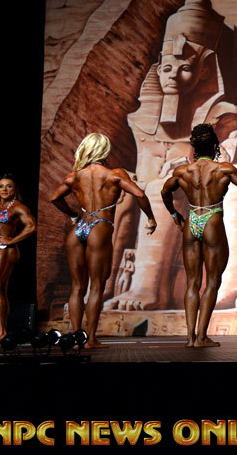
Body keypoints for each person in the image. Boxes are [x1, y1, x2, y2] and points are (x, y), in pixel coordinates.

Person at [50, 134, 158, 348]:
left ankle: (76, 338)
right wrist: (151, 218)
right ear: (104, 151)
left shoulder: (75, 176)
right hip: (99, 228)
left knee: (77, 288)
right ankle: (91, 339)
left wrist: (73, 215)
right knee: (97, 286)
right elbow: (139, 194)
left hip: (78, 230)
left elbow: (54, 198)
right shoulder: (114, 174)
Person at [161, 124, 237, 347]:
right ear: (215, 146)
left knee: (192, 282)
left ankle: (190, 338)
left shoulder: (182, 172)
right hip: (212, 219)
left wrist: (174, 214)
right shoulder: (223, 169)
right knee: (213, 281)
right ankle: (202, 337)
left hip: (192, 220)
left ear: (194, 148)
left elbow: (165, 191)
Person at [0, 174, 36, 345]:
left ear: (15, 189)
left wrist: (11, 240)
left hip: (5, 250)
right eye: (1, 186)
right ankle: (2, 330)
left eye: (9, 186)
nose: (5, 189)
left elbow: (31, 226)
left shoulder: (18, 207)